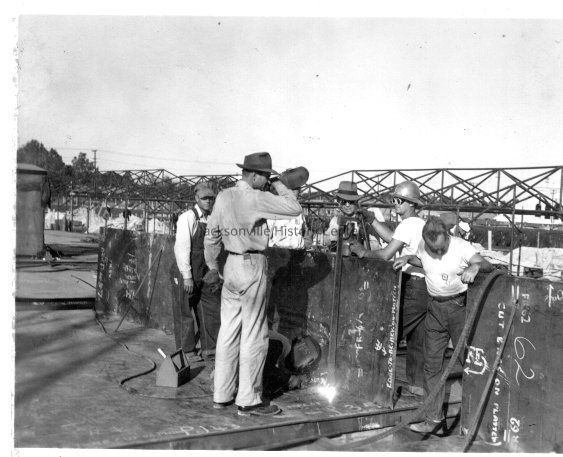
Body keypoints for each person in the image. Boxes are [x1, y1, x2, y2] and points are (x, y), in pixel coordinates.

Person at [204, 151, 302, 417]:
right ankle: (249, 400)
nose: (267, 180)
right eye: (266, 176)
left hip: (229, 266)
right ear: (256, 176)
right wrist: (280, 183)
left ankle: (221, 394)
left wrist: (213, 266)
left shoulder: (224, 196)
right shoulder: (256, 197)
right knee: (254, 334)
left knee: (228, 332)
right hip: (252, 264)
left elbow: (211, 235)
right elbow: (294, 208)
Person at [393, 216, 493, 433]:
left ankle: (480, 422)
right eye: (433, 250)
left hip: (459, 309)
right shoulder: (424, 245)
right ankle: (435, 420)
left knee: (469, 362)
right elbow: (425, 262)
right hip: (435, 309)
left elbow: (488, 265)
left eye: (441, 249)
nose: (438, 254)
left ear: (447, 237)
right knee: (431, 366)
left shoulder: (460, 246)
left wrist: (475, 267)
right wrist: (408, 258)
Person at [349, 181, 428, 397]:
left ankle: (377, 386)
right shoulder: (419, 224)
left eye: (399, 201)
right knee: (417, 338)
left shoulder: (407, 225)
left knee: (390, 332)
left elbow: (385, 254)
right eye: (394, 200)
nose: (395, 204)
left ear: (411, 204)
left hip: (413, 285)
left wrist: (363, 252)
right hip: (425, 287)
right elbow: (393, 240)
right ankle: (417, 385)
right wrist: (372, 220)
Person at [173, 182, 221, 362]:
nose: (208, 201)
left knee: (210, 309)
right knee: (185, 312)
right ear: (196, 198)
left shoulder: (212, 219)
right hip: (187, 270)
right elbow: (182, 247)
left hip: (206, 272)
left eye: (211, 198)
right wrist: (187, 277)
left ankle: (210, 349)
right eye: (204, 198)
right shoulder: (187, 217)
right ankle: (187, 351)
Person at [324, 181, 381, 252]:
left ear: (356, 202)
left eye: (351, 202)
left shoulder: (365, 219)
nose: (347, 205)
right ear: (339, 202)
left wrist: (362, 240)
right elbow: (328, 243)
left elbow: (376, 247)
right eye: (343, 201)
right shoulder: (335, 221)